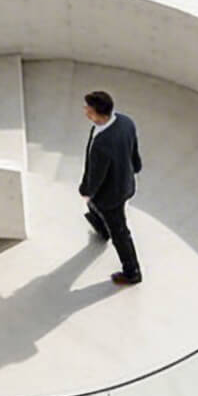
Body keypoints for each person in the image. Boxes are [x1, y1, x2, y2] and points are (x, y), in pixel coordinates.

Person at [79, 88, 143, 286]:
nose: (85, 111)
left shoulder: (102, 144)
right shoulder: (125, 122)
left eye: (88, 109)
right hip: (125, 183)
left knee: (120, 232)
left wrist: (86, 191)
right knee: (96, 209)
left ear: (98, 114)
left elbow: (96, 176)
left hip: (110, 195)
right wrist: (135, 166)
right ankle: (102, 228)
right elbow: (134, 149)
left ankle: (132, 272)